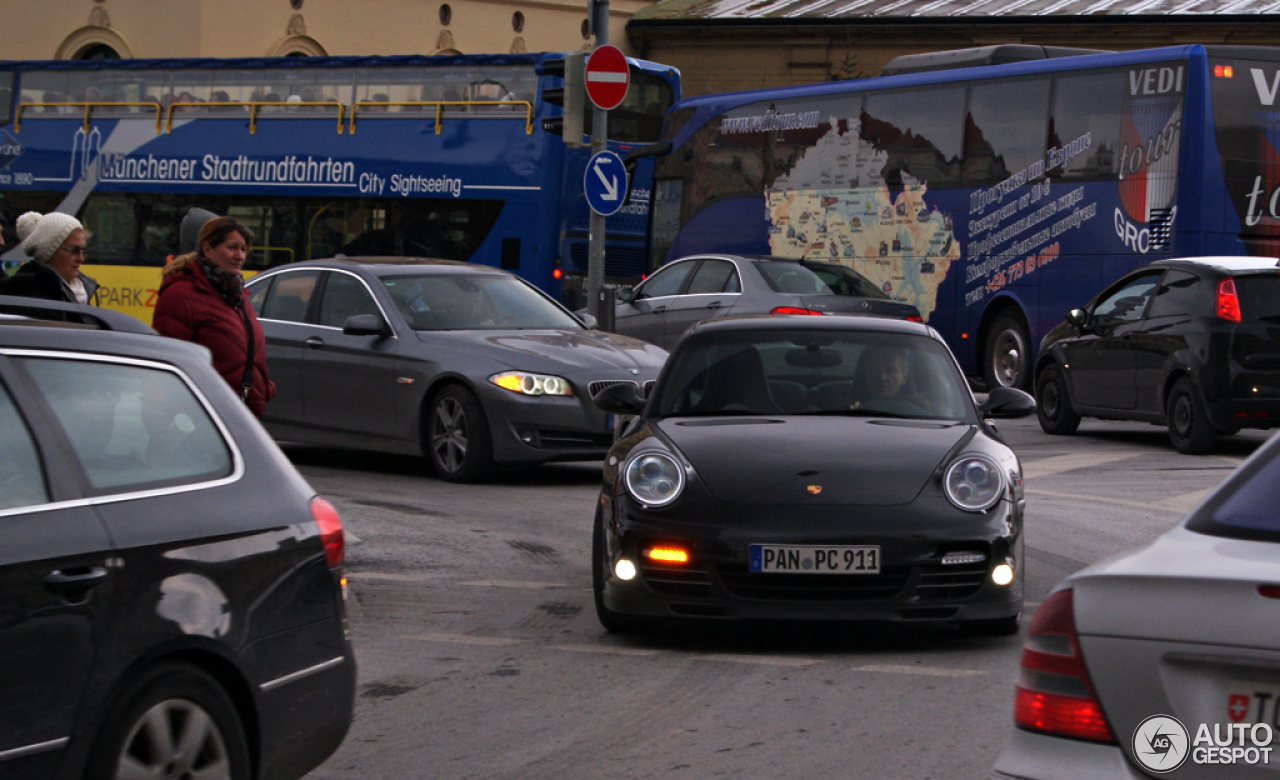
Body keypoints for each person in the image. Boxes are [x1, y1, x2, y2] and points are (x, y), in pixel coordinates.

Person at [152, 217, 275, 418]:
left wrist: (263, 388)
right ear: (208, 249)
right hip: (201, 413)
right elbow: (168, 358)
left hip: (240, 408)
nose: (239, 256)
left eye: (243, 249)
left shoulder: (236, 293)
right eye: (232, 247)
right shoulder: (181, 294)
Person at [0, 211, 100, 320]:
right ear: (48, 253)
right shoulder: (28, 301)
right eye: (73, 249)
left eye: (82, 250)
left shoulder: (82, 292)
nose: (81, 258)